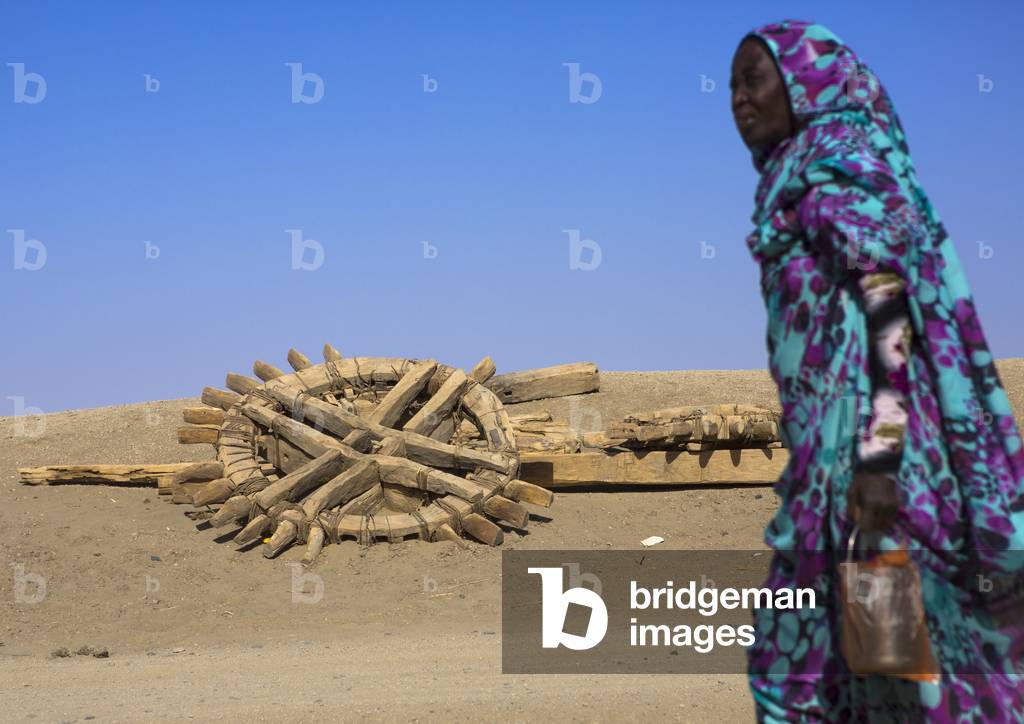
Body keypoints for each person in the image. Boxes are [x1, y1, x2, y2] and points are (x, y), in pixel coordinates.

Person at [730, 19, 1024, 722]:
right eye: (730, 85)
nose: (738, 99)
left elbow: (887, 306)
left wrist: (879, 461)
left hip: (870, 489)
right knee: (829, 665)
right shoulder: (798, 179)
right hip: (830, 481)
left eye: (754, 78)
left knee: (878, 671)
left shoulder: (832, 171)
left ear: (807, 83)